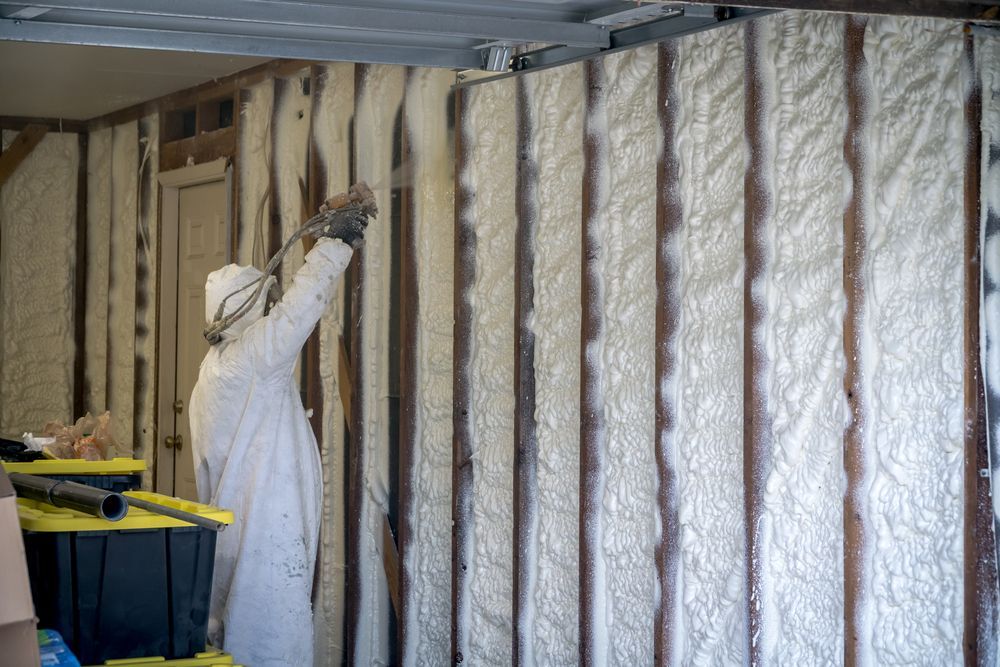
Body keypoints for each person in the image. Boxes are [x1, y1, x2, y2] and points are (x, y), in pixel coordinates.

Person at [189, 187, 372, 666]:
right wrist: (338, 242)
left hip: (233, 531)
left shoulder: (212, 370)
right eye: (261, 302)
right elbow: (299, 309)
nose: (268, 309)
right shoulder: (253, 359)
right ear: (245, 307)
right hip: (263, 536)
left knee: (232, 642)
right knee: (268, 646)